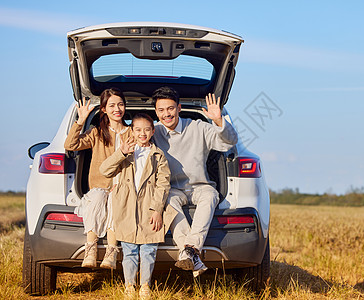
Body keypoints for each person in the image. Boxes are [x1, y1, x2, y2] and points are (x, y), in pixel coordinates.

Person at [152, 86, 238, 277]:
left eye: (170, 108)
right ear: (156, 112)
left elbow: (229, 142)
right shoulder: (153, 132)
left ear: (179, 108)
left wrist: (218, 120)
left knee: (210, 197)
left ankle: (189, 248)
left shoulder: (198, 127)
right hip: (172, 189)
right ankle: (191, 253)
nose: (167, 114)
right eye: (161, 110)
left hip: (200, 186)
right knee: (167, 201)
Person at [99, 113, 176, 298]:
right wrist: (121, 153)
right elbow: (105, 171)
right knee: (129, 251)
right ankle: (129, 286)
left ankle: (145, 286)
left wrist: (157, 210)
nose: (142, 133)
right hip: (127, 208)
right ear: (132, 131)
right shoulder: (126, 152)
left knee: (149, 250)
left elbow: (163, 184)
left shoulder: (158, 155)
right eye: (138, 129)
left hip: (149, 208)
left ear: (153, 131)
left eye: (147, 129)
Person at [64, 88, 133, 269]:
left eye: (120, 104)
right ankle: (91, 249)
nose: (117, 109)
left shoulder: (132, 133)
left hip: (123, 188)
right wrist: (81, 121)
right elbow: (70, 145)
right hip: (99, 188)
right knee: (97, 197)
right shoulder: (96, 133)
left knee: (115, 201)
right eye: (111, 105)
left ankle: (111, 251)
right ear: (103, 109)